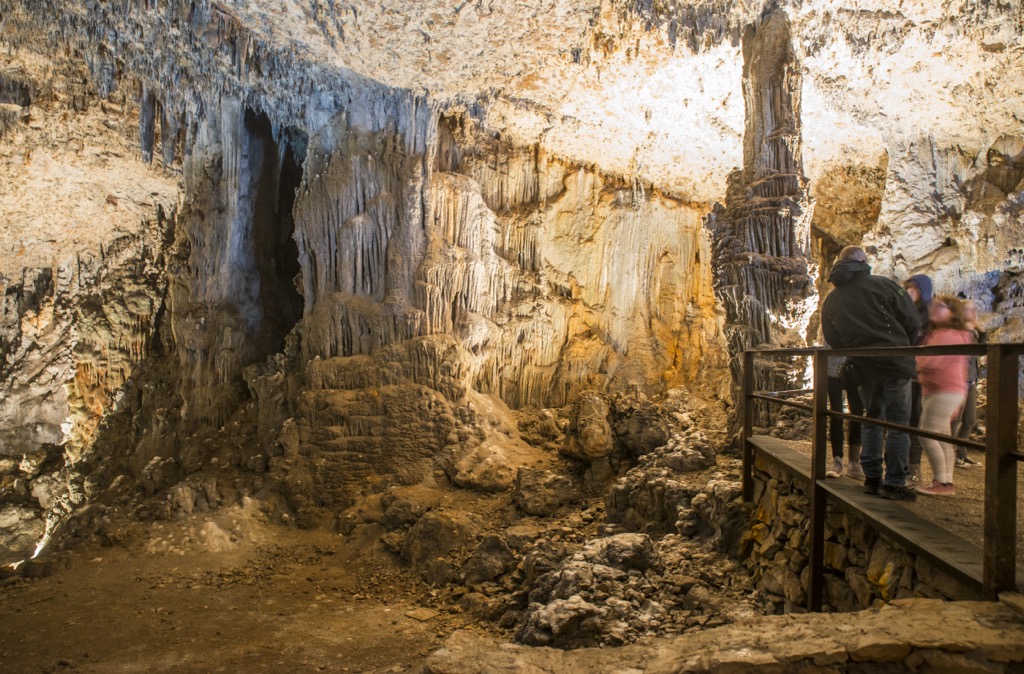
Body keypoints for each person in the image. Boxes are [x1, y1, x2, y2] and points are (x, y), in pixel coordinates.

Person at [822, 246, 921, 501]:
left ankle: (872, 477)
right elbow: (912, 320)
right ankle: (895, 482)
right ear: (864, 263)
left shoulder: (833, 299)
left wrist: (854, 351)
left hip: (862, 366)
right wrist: (904, 347)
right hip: (895, 363)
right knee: (898, 423)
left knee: (872, 418)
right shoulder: (885, 285)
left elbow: (832, 337)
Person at [915, 295, 972, 496]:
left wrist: (917, 361)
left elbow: (931, 362)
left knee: (927, 434)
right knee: (942, 437)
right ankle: (946, 481)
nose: (934, 309)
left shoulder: (947, 334)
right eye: (934, 306)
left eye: (940, 307)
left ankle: (941, 482)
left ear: (952, 312)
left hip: (942, 390)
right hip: (948, 390)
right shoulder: (953, 333)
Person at [903, 274, 933, 487]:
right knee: (904, 419)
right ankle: (904, 468)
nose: (909, 292)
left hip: (924, 374)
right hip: (906, 372)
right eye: (908, 288)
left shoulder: (933, 316)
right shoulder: (905, 313)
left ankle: (915, 470)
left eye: (914, 288)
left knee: (917, 421)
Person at [951, 299, 985, 468]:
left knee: (970, 420)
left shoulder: (973, 332)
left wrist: (981, 331)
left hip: (971, 380)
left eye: (974, 309)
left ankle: (962, 454)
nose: (973, 312)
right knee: (956, 419)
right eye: (969, 309)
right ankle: (951, 456)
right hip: (959, 380)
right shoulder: (958, 331)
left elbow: (983, 350)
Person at [825, 346, 865, 479]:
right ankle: (838, 460)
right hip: (833, 368)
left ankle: (854, 461)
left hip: (855, 368)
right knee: (836, 412)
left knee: (857, 412)